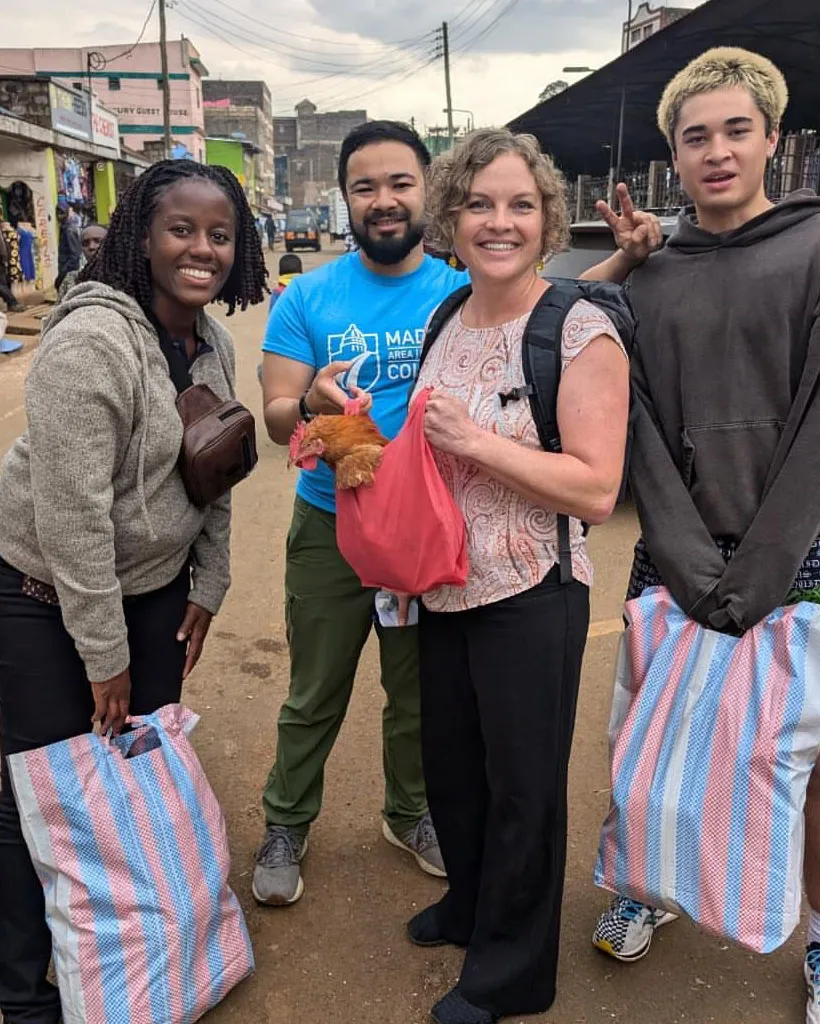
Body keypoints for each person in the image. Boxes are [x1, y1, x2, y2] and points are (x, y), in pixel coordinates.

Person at [0, 159, 266, 1024]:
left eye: (219, 234)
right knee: (42, 788)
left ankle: (134, 960)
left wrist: (211, 582)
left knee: (137, 770)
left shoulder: (211, 343)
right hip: (43, 593)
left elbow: (217, 467)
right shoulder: (90, 344)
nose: (202, 249)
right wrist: (103, 655)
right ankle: (24, 988)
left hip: (154, 591)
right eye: (180, 229)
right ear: (139, 236)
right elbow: (72, 518)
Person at [585, 48, 820, 1024]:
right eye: (695, 136)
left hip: (803, 557)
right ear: (669, 154)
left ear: (773, 137)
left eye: (736, 130)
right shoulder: (648, 279)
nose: (716, 151)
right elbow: (633, 424)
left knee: (801, 763)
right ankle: (647, 880)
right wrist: (689, 565)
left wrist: (763, 566)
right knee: (651, 728)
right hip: (674, 558)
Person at [406, 128, 631, 1024]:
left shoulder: (578, 329)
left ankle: (512, 974)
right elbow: (432, 451)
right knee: (453, 769)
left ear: (546, 223)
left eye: (520, 205)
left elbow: (597, 489)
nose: (498, 222)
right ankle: (469, 905)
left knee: (524, 786)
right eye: (479, 204)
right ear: (453, 219)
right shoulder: (447, 316)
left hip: (531, 590)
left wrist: (477, 443)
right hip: (442, 584)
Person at [256, 120, 469, 907]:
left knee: (417, 688)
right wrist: (308, 400)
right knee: (316, 688)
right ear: (344, 198)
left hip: (423, 524)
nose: (384, 201)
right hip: (329, 524)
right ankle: (285, 821)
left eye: (399, 184)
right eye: (365, 187)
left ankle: (410, 813)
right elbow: (277, 413)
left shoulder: (459, 288)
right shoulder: (307, 296)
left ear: (426, 192)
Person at [57, 222, 108, 299]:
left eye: (98, 241)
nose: (91, 247)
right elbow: (59, 309)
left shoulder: (123, 278)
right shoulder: (71, 279)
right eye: (85, 243)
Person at [54, 203, 82, 292]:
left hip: (69, 271)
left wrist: (63, 273)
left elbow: (75, 255)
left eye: (61, 212)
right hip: (65, 268)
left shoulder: (69, 230)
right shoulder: (64, 228)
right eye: (57, 212)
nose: (59, 215)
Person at [0, 224, 24, 313]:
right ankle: (12, 303)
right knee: (2, 285)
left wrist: (5, 258)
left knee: (3, 284)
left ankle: (12, 303)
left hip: (2, 261)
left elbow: (3, 246)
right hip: (2, 260)